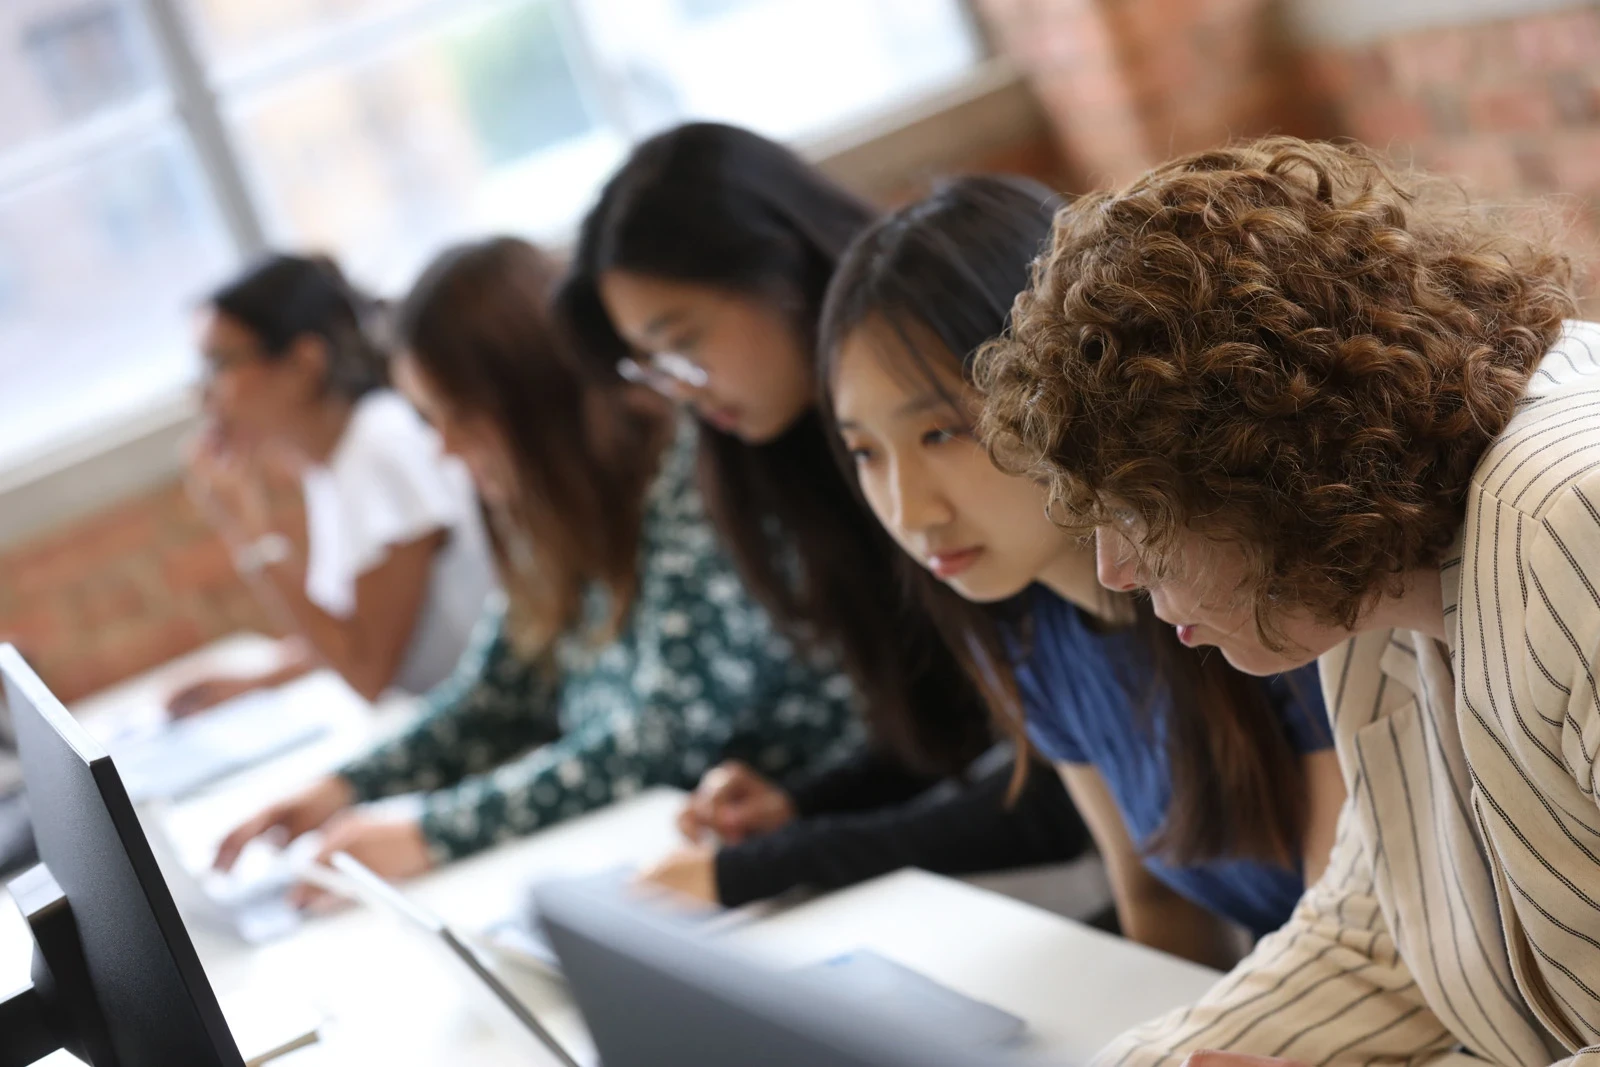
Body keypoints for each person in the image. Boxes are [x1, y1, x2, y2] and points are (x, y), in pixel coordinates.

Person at [978, 136, 1594, 1065]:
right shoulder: (1354, 573)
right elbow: (1375, 939)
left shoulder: (1567, 515)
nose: (1113, 570)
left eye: (1139, 513)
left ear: (1270, 463)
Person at [213, 237, 861, 890]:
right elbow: (494, 695)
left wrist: (430, 831)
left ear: (533, 395)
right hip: (688, 856)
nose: (442, 449)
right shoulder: (552, 515)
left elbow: (654, 742)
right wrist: (342, 786)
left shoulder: (690, 483)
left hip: (820, 853)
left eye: (456, 417)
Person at [557, 122, 1092, 909]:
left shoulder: (970, 373)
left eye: (685, 342)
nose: (684, 387)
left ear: (780, 267)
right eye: (653, 364)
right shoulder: (770, 454)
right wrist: (802, 807)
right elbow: (959, 727)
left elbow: (1064, 788)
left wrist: (769, 862)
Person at [815, 174, 1344, 967]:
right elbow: (1156, 900)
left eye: (941, 433)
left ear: (1062, 381)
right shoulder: (1035, 634)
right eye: (865, 451)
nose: (908, 508)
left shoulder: (1262, 596)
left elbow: (1350, 942)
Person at [172, 254, 494, 714]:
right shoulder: (336, 459)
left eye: (220, 365)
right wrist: (262, 679)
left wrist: (252, 535)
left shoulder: (377, 450)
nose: (204, 394)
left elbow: (367, 671)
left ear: (304, 362)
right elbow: (369, 624)